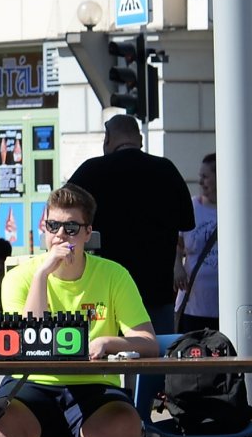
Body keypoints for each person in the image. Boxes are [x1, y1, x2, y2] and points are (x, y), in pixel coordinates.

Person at [0, 183, 157, 437]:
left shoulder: (113, 275)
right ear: (43, 228)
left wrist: (110, 342)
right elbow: (26, 342)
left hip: (93, 386)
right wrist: (42, 276)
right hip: (35, 384)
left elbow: (149, 343)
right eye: (53, 226)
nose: (61, 236)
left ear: (87, 233)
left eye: (71, 228)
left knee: (127, 423)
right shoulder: (21, 276)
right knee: (0, 423)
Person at [66, 115, 195, 332]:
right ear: (140, 139)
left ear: (108, 139)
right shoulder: (166, 170)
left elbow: (61, 213)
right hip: (156, 294)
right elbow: (187, 223)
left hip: (105, 295)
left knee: (105, 351)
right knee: (156, 350)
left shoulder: (91, 171)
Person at [177, 153, 219, 333]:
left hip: (225, 305)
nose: (200, 182)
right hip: (193, 304)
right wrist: (177, 266)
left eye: (205, 177)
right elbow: (177, 243)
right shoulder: (192, 207)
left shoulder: (238, 209)